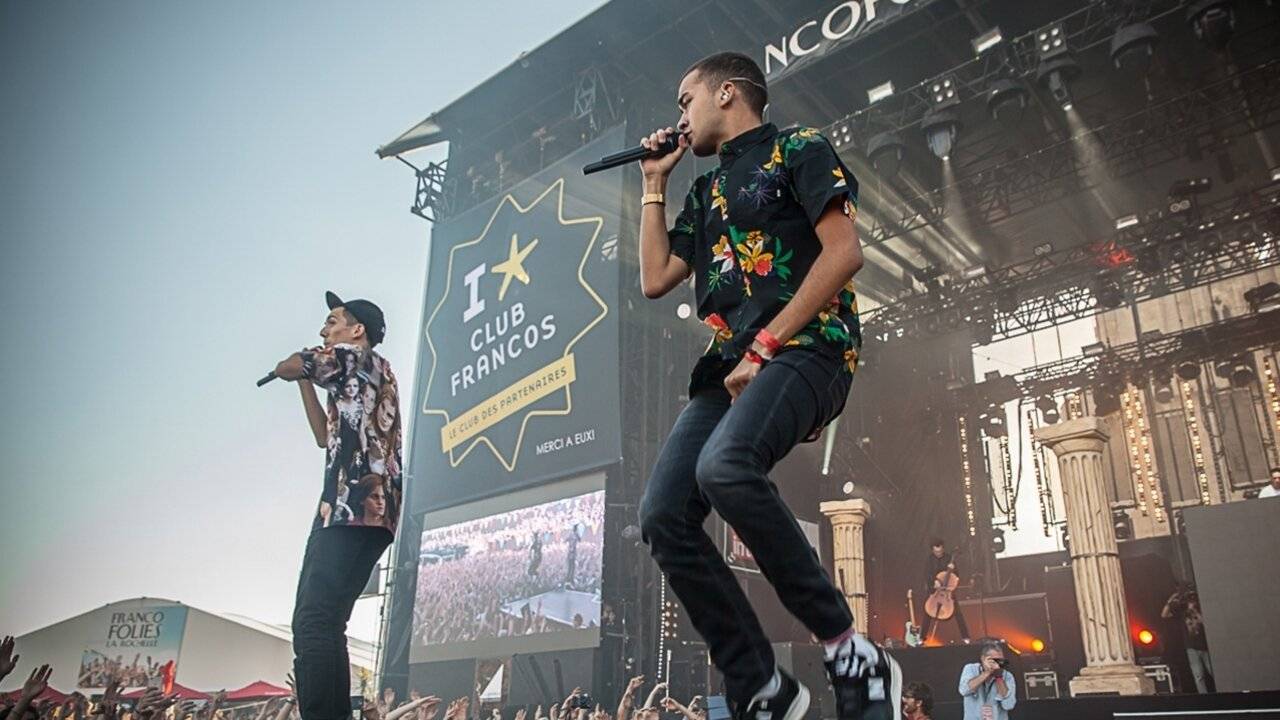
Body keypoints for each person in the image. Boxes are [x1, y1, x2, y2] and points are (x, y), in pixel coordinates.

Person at [634, 51, 897, 720]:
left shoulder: (797, 149)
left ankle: (849, 650)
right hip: (730, 367)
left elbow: (844, 253)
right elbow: (655, 277)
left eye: (685, 100)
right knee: (662, 514)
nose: (679, 117)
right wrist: (654, 183)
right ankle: (760, 683)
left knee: (724, 467)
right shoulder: (703, 192)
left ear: (726, 93)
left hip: (809, 346)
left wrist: (765, 344)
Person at [273, 291, 403, 720]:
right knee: (325, 622)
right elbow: (322, 437)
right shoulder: (368, 373)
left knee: (314, 621)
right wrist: (305, 383)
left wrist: (294, 367)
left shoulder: (351, 356)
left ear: (356, 329)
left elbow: (293, 363)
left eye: (332, 321)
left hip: (348, 508)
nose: (324, 330)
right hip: (370, 513)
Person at [1162, 582, 1215, 693]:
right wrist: (1171, 600)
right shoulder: (1182, 612)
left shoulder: (1199, 610)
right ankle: (1204, 696)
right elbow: (1164, 615)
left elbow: (1204, 622)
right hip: (1191, 647)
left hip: (1205, 646)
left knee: (1213, 671)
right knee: (1198, 675)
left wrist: (1194, 610)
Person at [920, 540, 970, 643]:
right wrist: (934, 581)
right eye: (936, 552)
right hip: (935, 590)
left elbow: (956, 575)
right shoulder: (929, 560)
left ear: (943, 548)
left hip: (947, 590)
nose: (938, 553)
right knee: (928, 611)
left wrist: (952, 570)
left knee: (958, 613)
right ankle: (921, 637)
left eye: (940, 551)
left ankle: (966, 637)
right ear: (932, 550)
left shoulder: (949, 558)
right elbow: (926, 574)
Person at [957, 643, 1016, 720]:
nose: (997, 664)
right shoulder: (970, 669)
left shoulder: (1007, 676)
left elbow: (1009, 705)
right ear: (983, 659)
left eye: (1000, 660)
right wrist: (987, 672)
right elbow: (964, 690)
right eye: (993, 660)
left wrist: (999, 677)